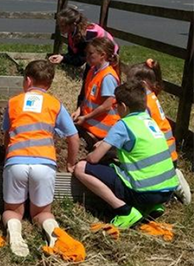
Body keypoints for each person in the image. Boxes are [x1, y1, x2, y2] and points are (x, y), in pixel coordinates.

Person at [74, 81, 180, 228]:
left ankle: (124, 210)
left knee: (81, 168)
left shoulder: (123, 125)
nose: (114, 107)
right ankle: (152, 207)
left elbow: (93, 159)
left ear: (123, 107)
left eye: (116, 104)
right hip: (167, 191)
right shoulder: (150, 122)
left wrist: (91, 154)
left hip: (145, 194)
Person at [1, 60, 79, 257]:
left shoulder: (13, 102)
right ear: (49, 84)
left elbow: (7, 135)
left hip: (16, 162)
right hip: (44, 164)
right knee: (41, 213)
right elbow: (73, 136)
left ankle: (14, 231)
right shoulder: (55, 104)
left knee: (13, 211)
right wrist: (71, 163)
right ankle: (52, 232)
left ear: (28, 81)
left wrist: (7, 156)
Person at [126, 59, 191, 205]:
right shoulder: (150, 96)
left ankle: (174, 182)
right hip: (168, 153)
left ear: (142, 84)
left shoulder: (143, 104)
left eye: (130, 82)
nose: (127, 85)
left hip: (162, 157)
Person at [72, 37, 120, 145]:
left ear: (102, 55)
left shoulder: (107, 78)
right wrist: (79, 110)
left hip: (102, 131)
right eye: (87, 53)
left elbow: (106, 106)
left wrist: (85, 117)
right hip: (89, 125)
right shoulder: (93, 71)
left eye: (91, 54)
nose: (87, 57)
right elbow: (88, 97)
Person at [48, 6, 118, 68]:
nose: (60, 28)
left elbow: (80, 60)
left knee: (91, 70)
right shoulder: (72, 32)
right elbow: (73, 53)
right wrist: (61, 57)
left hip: (108, 53)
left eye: (62, 25)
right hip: (96, 52)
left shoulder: (86, 36)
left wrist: (63, 59)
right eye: (59, 25)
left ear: (73, 24)